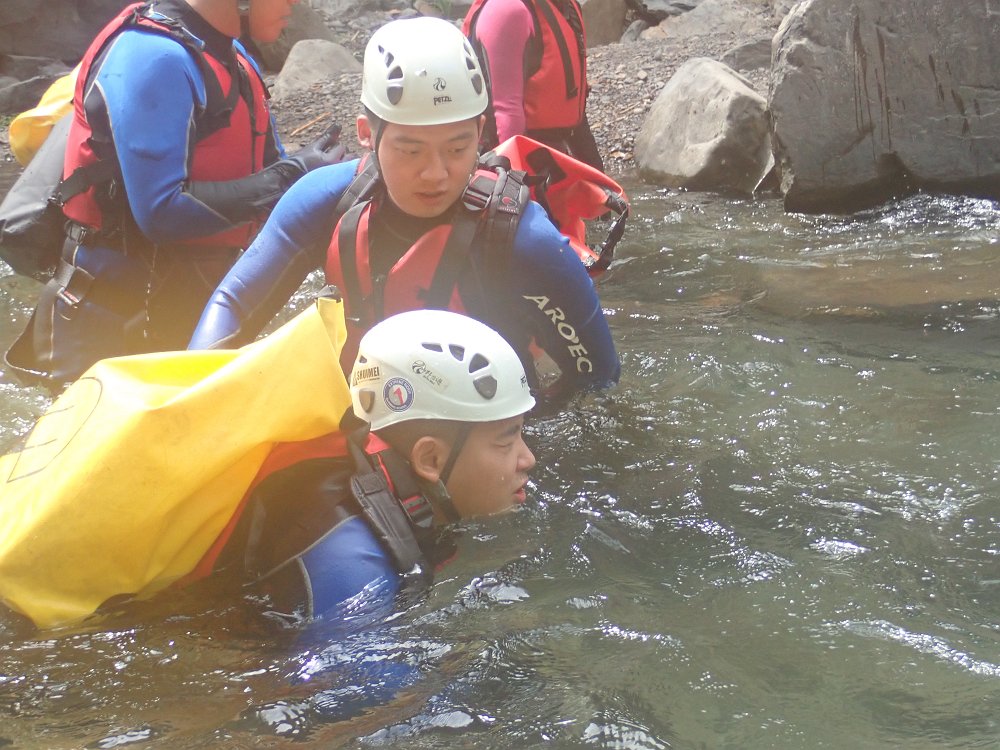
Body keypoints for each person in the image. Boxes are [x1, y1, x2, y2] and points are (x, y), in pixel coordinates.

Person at [188, 16, 619, 402]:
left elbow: (598, 381)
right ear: (366, 134)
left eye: (458, 148)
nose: (436, 173)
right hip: (364, 421)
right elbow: (233, 303)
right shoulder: (325, 201)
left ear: (481, 131)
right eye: (410, 151)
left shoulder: (525, 240)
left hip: (488, 443)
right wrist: (192, 392)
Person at [5, 0, 347, 386]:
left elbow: (271, 188)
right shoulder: (154, 57)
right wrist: (292, 175)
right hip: (102, 340)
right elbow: (162, 213)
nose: (295, 3)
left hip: (181, 312)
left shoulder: (231, 55)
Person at [206, 308, 537, 624]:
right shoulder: (356, 574)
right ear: (431, 460)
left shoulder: (378, 480)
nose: (528, 459)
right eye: (506, 442)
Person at [462, 0, 604, 171]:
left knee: (604, 187)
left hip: (563, 139)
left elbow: (572, 101)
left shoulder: (567, 6)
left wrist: (596, 171)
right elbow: (507, 111)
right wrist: (515, 177)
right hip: (512, 150)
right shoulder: (507, 9)